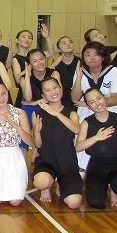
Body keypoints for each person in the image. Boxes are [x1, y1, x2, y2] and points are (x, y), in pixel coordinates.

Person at [75, 88, 117, 209]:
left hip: (116, 164)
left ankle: (114, 191)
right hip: (96, 166)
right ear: (88, 106)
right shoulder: (87, 122)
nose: (97, 103)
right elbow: (78, 147)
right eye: (92, 102)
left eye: (99, 98)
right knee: (95, 201)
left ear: (104, 98)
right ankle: (100, 185)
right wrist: (97, 137)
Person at [71, 41, 117, 170]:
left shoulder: (113, 71)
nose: (92, 58)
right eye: (87, 54)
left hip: (109, 114)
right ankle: (82, 175)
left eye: (96, 54)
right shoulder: (81, 72)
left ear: (103, 56)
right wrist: (78, 77)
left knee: (110, 148)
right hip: (87, 115)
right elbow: (74, 98)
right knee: (83, 153)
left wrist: (89, 103)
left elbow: (116, 99)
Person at [31, 78, 82, 208]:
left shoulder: (71, 112)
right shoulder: (37, 114)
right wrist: (36, 132)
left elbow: (76, 129)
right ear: (43, 95)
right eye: (48, 90)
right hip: (47, 161)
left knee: (74, 202)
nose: (53, 92)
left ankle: (61, 182)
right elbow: (38, 145)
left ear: (61, 89)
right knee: (41, 182)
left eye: (55, 88)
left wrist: (56, 113)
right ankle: (46, 187)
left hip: (67, 163)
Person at [50, 36, 80, 107]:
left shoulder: (80, 62)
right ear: (59, 49)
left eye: (70, 42)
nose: (68, 44)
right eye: (64, 43)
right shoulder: (56, 64)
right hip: (61, 101)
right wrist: (53, 66)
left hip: (78, 101)